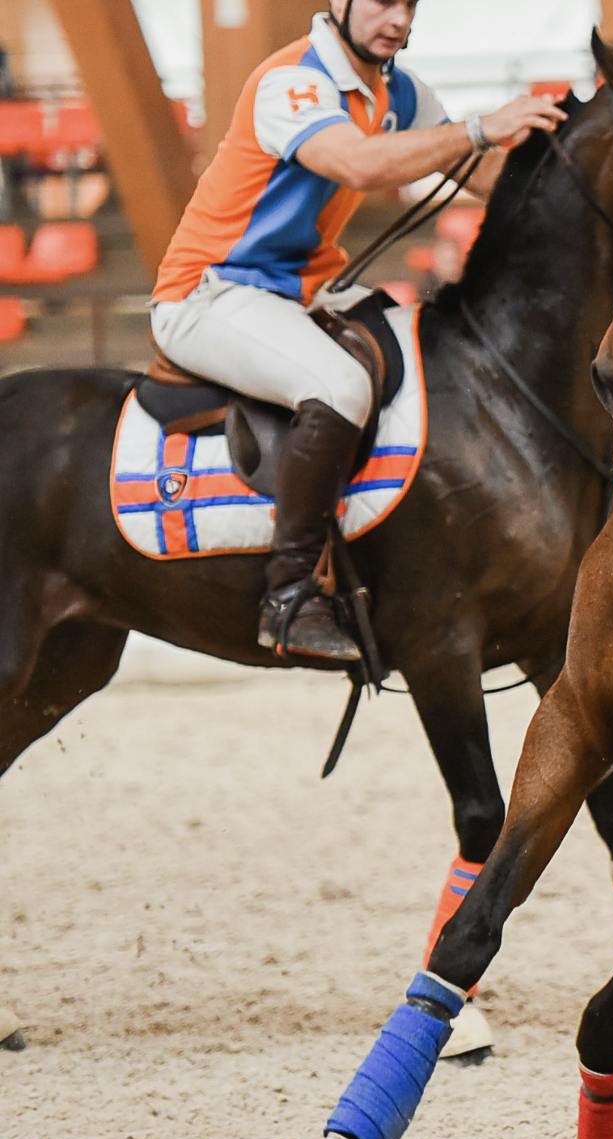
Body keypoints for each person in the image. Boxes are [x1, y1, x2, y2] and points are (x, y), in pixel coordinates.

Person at [148, 0, 565, 659]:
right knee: (341, 387)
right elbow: (360, 164)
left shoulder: (401, 90)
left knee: (430, 353)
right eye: (381, 1)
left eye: (409, 5)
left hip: (301, 295)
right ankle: (288, 597)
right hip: (208, 295)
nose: (397, 18)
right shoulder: (292, 79)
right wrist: (482, 125)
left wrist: (578, 165)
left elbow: (486, 177)